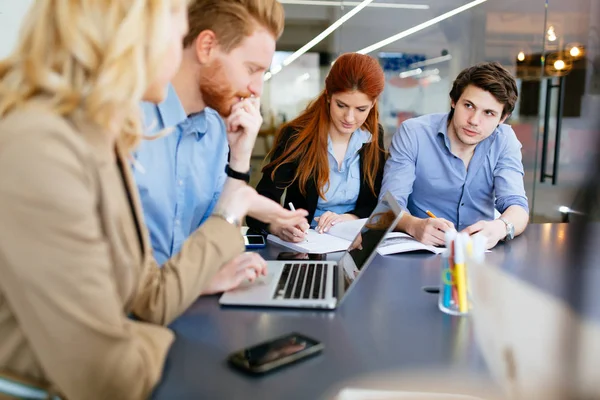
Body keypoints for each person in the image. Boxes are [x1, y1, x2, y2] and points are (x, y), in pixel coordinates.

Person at [0, 1, 306, 399]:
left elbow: (150, 293)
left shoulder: (100, 136)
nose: (182, 47)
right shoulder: (41, 146)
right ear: (131, 30)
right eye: (177, 32)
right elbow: (108, 375)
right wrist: (176, 346)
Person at [133, 0, 284, 292]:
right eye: (252, 69)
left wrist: (239, 160)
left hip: (189, 305)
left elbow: (216, 239)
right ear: (206, 47)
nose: (256, 89)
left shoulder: (216, 130)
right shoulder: (129, 122)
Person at [381, 62, 529, 249]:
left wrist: (500, 227)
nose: (474, 121)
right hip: (422, 250)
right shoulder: (414, 133)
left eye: (489, 113)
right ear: (453, 101)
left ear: (502, 118)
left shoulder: (504, 140)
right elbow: (388, 206)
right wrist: (413, 225)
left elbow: (517, 207)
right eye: (468, 105)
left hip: (478, 253)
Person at [247, 52, 387, 241]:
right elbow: (260, 204)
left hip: (354, 244)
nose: (350, 118)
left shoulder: (373, 135)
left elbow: (375, 201)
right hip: (306, 244)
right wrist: (278, 225)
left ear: (373, 103)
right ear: (328, 95)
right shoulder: (297, 136)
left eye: (361, 109)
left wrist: (349, 218)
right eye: (341, 105)